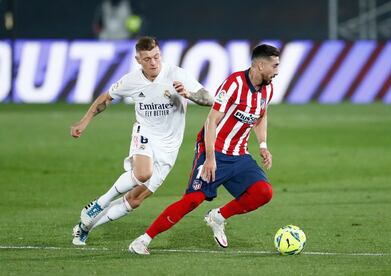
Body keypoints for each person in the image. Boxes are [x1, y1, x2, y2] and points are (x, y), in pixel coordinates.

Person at [128, 44, 280, 255]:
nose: (277, 71)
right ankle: (143, 240)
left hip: (239, 154)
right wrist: (210, 158)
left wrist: (263, 145)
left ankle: (218, 217)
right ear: (261, 65)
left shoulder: (267, 89)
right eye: (274, 66)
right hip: (213, 150)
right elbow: (211, 122)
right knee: (192, 201)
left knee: (263, 192)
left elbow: (260, 116)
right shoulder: (234, 84)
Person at [71, 36, 213, 246]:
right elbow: (105, 99)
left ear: (160, 55)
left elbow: (208, 98)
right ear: (139, 60)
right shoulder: (132, 80)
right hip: (145, 131)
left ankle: (84, 228)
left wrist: (189, 94)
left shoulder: (176, 74)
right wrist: (84, 122)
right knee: (142, 173)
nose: (153, 62)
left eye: (156, 57)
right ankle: (100, 202)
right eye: (147, 59)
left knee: (134, 201)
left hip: (169, 147)